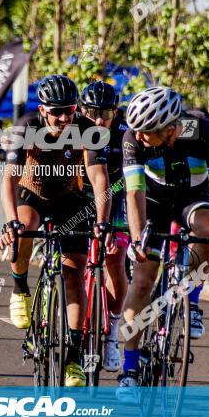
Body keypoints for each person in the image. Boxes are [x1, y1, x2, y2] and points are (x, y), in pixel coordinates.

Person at [117, 86, 209, 400]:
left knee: (208, 229)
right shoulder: (133, 138)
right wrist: (138, 238)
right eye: (137, 131)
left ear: (170, 130)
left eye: (147, 133)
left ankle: (191, 300)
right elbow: (134, 193)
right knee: (142, 281)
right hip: (153, 200)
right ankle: (129, 369)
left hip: (191, 197)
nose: (140, 138)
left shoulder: (205, 131)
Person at [0, 74, 113, 387]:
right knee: (24, 228)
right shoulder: (25, 127)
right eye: (57, 111)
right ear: (42, 109)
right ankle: (20, 287)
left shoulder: (86, 129)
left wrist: (102, 223)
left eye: (70, 110)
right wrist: (10, 221)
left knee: (74, 274)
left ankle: (74, 358)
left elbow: (100, 179)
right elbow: (8, 179)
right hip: (31, 196)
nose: (64, 118)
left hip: (69, 202)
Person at [78, 80, 129, 372]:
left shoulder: (124, 133)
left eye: (106, 114)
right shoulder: (73, 129)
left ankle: (111, 333)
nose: (99, 120)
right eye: (93, 113)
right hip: (79, 194)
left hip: (116, 194)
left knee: (115, 260)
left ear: (116, 112)